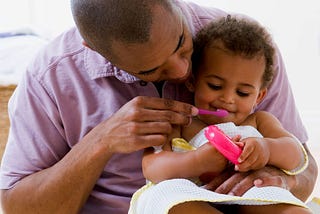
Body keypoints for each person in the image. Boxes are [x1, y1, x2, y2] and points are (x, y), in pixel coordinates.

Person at [0, 0, 317, 213]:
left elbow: (303, 167)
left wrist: (279, 174)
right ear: (95, 50)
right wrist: (102, 141)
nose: (183, 73)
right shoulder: (51, 77)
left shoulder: (243, 50)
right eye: (150, 70)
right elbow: (16, 206)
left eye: (182, 44)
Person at [129, 15, 311, 213]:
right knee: (164, 196)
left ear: (259, 97)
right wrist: (196, 161)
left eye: (243, 93)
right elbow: (151, 167)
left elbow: (297, 157)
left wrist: (267, 149)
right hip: (191, 194)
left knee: (285, 204)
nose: (228, 98)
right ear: (192, 81)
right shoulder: (181, 122)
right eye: (215, 86)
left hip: (249, 193)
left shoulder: (260, 121)